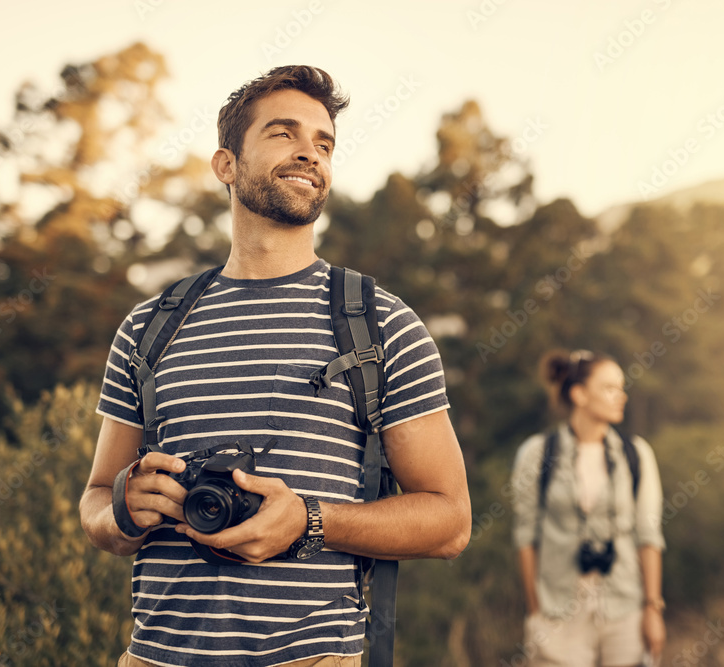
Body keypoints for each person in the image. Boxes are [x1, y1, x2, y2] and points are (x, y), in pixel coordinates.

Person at [79, 65, 471, 667]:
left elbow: (450, 522)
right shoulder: (149, 326)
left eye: (324, 143)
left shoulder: (381, 323)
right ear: (226, 165)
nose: (310, 153)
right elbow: (96, 504)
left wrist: (309, 521)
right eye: (283, 134)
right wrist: (127, 509)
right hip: (155, 656)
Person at [509, 349, 666, 666]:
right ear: (579, 394)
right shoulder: (537, 454)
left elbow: (648, 536)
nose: (620, 397)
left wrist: (652, 609)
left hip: (624, 608)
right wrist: (536, 612)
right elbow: (526, 538)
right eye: (609, 388)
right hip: (558, 611)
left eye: (621, 388)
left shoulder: (636, 454)